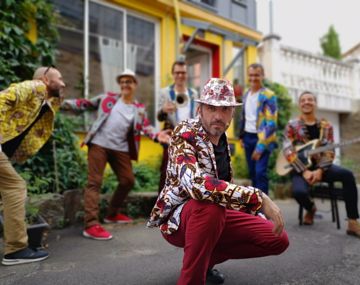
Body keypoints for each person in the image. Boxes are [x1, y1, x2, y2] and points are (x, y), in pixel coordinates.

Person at [148, 78, 289, 285]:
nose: (218, 116)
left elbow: (225, 190)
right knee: (210, 208)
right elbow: (196, 185)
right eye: (211, 108)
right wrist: (257, 197)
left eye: (224, 109)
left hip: (214, 214)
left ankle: (203, 263)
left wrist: (256, 212)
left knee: (277, 239)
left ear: (232, 113)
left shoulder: (222, 139)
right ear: (200, 109)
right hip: (179, 219)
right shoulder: (184, 133)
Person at [62, 69, 170, 241]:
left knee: (127, 180)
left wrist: (158, 135)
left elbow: (146, 127)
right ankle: (90, 225)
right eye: (123, 81)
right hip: (99, 144)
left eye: (129, 81)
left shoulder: (138, 109)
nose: (125, 84)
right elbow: (85, 104)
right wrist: (62, 103)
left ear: (135, 85)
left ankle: (112, 214)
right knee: (94, 182)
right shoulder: (108, 99)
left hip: (120, 148)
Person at [0, 66, 66, 265]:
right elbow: (2, 98)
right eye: (59, 78)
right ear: (46, 79)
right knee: (15, 187)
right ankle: (16, 250)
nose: (63, 83)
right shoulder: (35, 86)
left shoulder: (44, 102)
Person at [283, 91, 360, 235]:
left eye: (310, 99)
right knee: (298, 192)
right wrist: (304, 171)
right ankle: (311, 208)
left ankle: (352, 222)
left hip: (322, 167)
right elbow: (287, 150)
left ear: (315, 103)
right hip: (301, 169)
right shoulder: (292, 125)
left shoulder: (326, 126)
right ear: (299, 104)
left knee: (348, 175)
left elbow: (330, 151)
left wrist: (320, 171)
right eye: (303, 100)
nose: (307, 102)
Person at [157, 60, 198, 193]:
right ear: (173, 74)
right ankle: (161, 209)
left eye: (183, 72)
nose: (180, 75)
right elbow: (158, 116)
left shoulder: (193, 93)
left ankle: (182, 208)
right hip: (171, 137)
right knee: (166, 171)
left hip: (190, 138)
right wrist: (163, 110)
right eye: (177, 73)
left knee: (188, 172)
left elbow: (197, 117)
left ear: (187, 74)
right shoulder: (165, 92)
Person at [239, 63, 277, 195]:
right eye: (251, 75)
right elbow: (243, 116)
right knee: (253, 174)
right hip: (247, 137)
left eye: (257, 75)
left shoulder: (268, 95)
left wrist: (260, 147)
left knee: (260, 173)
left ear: (262, 76)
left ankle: (266, 210)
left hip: (262, 138)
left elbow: (271, 124)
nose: (253, 78)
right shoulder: (246, 93)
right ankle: (256, 208)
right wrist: (241, 136)